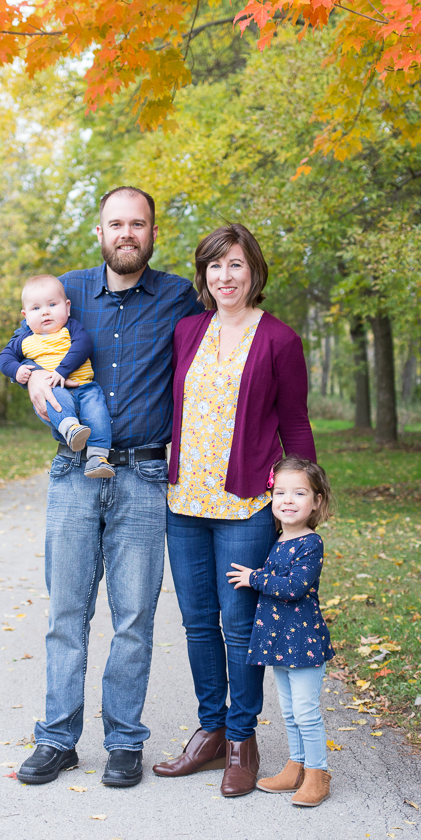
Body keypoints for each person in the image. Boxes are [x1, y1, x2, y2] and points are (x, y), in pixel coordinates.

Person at [5, 187, 202, 789]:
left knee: (134, 618)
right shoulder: (66, 290)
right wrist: (26, 375)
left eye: (137, 224)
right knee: (67, 612)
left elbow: (219, 361)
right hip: (72, 476)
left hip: (143, 475)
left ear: (151, 232)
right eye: (115, 223)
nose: (126, 233)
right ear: (100, 232)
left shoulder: (178, 296)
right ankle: (58, 740)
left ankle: (123, 743)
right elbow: (20, 347)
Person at [152, 223, 316, 798]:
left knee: (240, 625)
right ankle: (212, 731)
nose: (225, 277)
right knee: (199, 624)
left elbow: (295, 420)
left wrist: (303, 497)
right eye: (215, 266)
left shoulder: (279, 340)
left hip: (248, 502)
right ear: (204, 274)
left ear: (255, 273)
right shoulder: (187, 331)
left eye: (237, 266)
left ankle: (244, 740)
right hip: (184, 501)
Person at [227, 456, 335, 808]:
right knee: (289, 712)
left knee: (306, 711)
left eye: (300, 493)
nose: (288, 500)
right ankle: (296, 765)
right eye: (281, 493)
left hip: (302, 644)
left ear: (316, 501)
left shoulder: (310, 543)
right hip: (279, 643)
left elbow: (295, 586)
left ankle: (318, 774)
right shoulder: (277, 540)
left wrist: (254, 578)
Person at [0, 274, 115, 479]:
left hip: (85, 387)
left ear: (67, 307)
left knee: (98, 413)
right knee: (56, 400)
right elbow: (4, 358)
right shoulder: (24, 340)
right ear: (25, 316)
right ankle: (70, 429)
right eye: (36, 308)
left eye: (52, 304)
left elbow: (83, 346)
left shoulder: (71, 329)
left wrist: (62, 370)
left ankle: (98, 457)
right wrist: (17, 371)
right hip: (53, 388)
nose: (45, 312)